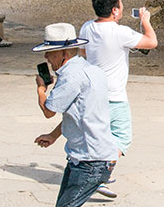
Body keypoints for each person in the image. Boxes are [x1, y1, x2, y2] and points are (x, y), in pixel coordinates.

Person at [78, 0, 157, 198]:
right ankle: (99, 177)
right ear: (114, 10)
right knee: (121, 138)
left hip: (92, 94)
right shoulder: (121, 33)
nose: (122, 6)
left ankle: (96, 176)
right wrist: (146, 20)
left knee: (99, 138)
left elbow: (84, 52)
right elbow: (151, 42)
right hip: (114, 97)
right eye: (120, 4)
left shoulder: (86, 27)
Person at [32, 22, 118, 207]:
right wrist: (53, 135)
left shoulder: (71, 77)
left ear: (65, 53)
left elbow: (49, 111)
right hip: (88, 159)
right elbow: (79, 113)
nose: (46, 57)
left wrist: (41, 89)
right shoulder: (92, 70)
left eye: (50, 52)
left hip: (90, 161)